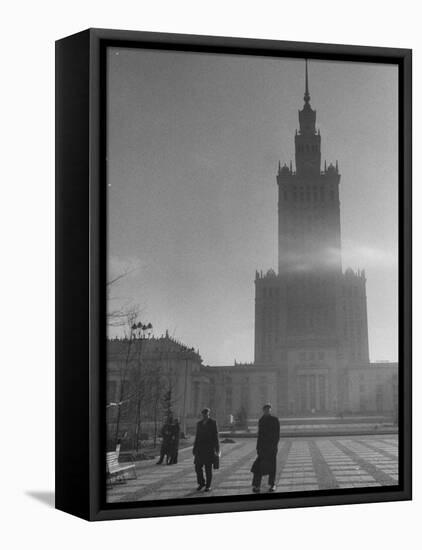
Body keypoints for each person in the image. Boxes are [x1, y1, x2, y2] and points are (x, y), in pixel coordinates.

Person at [251, 403, 280, 493]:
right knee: (258, 467)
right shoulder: (261, 420)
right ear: (263, 410)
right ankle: (256, 485)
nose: (267, 411)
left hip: (271, 448)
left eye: (268, 409)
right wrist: (258, 447)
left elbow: (277, 435)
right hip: (262, 448)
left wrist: (274, 446)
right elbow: (259, 435)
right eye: (265, 410)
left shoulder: (275, 420)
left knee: (272, 467)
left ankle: (272, 484)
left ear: (270, 410)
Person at [193, 408, 220, 492]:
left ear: (209, 414)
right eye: (204, 414)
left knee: (208, 469)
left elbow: (216, 436)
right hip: (200, 449)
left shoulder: (213, 423)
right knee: (197, 467)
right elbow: (197, 436)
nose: (205, 415)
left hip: (209, 449)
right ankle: (201, 483)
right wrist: (194, 448)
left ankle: (208, 486)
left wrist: (217, 449)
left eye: (206, 414)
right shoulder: (199, 423)